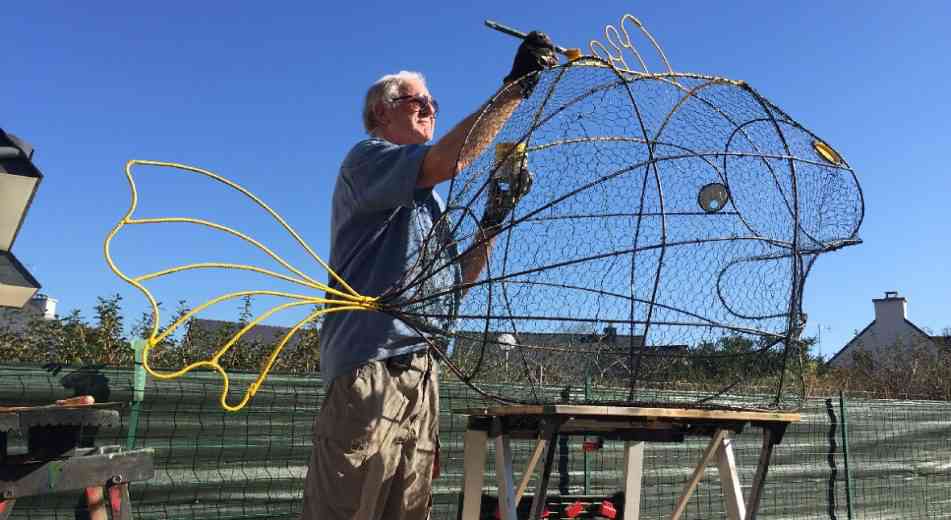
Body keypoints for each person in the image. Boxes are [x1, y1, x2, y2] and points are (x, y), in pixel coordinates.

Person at [300, 32, 558, 520]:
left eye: (433, 101)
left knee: (408, 511)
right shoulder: (366, 159)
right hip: (372, 363)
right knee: (349, 507)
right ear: (382, 112)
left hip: (422, 372)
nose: (430, 107)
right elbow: (450, 160)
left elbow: (455, 284)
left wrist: (494, 217)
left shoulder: (429, 201)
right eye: (417, 100)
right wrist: (516, 88)